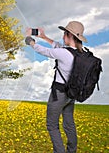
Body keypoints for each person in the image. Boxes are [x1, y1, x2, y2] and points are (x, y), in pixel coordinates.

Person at [25, 21, 87, 153]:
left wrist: (30, 41)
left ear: (69, 35)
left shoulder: (63, 53)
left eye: (64, 33)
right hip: (71, 93)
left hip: (59, 94)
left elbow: (43, 51)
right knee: (69, 124)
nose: (62, 36)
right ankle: (72, 150)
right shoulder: (80, 53)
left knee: (52, 125)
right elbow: (57, 46)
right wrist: (43, 36)